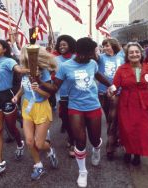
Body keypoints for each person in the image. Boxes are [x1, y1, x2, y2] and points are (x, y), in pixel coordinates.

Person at [39, 37, 112, 187]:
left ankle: (97, 148)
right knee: (80, 140)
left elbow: (98, 75)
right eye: (92, 53)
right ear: (81, 53)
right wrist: (39, 81)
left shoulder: (92, 64)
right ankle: (83, 172)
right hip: (75, 107)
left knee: (95, 139)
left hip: (93, 105)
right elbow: (54, 88)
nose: (94, 56)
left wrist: (112, 85)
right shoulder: (65, 67)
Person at [108, 42, 148, 166]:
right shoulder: (122, 69)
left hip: (145, 104)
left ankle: (137, 154)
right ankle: (128, 151)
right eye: (131, 52)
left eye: (136, 52)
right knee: (128, 129)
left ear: (141, 54)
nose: (134, 54)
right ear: (127, 55)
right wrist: (111, 91)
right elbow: (115, 85)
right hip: (127, 103)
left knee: (142, 130)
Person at [12, 46, 58, 180]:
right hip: (27, 107)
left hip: (41, 108)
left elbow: (48, 95)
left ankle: (49, 149)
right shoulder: (25, 71)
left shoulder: (44, 73)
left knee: (39, 144)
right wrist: (17, 96)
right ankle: (38, 165)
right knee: (29, 141)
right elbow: (23, 87)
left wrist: (38, 89)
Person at [0, 40, 28, 177]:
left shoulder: (9, 61)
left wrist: (32, 69)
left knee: (11, 127)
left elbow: (19, 70)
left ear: (5, 49)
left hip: (7, 97)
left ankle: (20, 143)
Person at [97, 38, 124, 160]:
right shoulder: (101, 58)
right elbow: (94, 57)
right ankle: (115, 136)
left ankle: (110, 147)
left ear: (114, 45)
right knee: (109, 118)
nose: (106, 48)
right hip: (102, 92)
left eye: (108, 45)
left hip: (118, 93)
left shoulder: (122, 55)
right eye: (104, 46)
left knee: (112, 118)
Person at [54, 35, 76, 157]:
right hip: (61, 94)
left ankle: (73, 141)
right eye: (60, 45)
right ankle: (70, 135)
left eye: (65, 44)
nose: (62, 47)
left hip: (75, 94)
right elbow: (51, 72)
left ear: (70, 45)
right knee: (64, 117)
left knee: (74, 118)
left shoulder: (76, 58)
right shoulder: (55, 59)